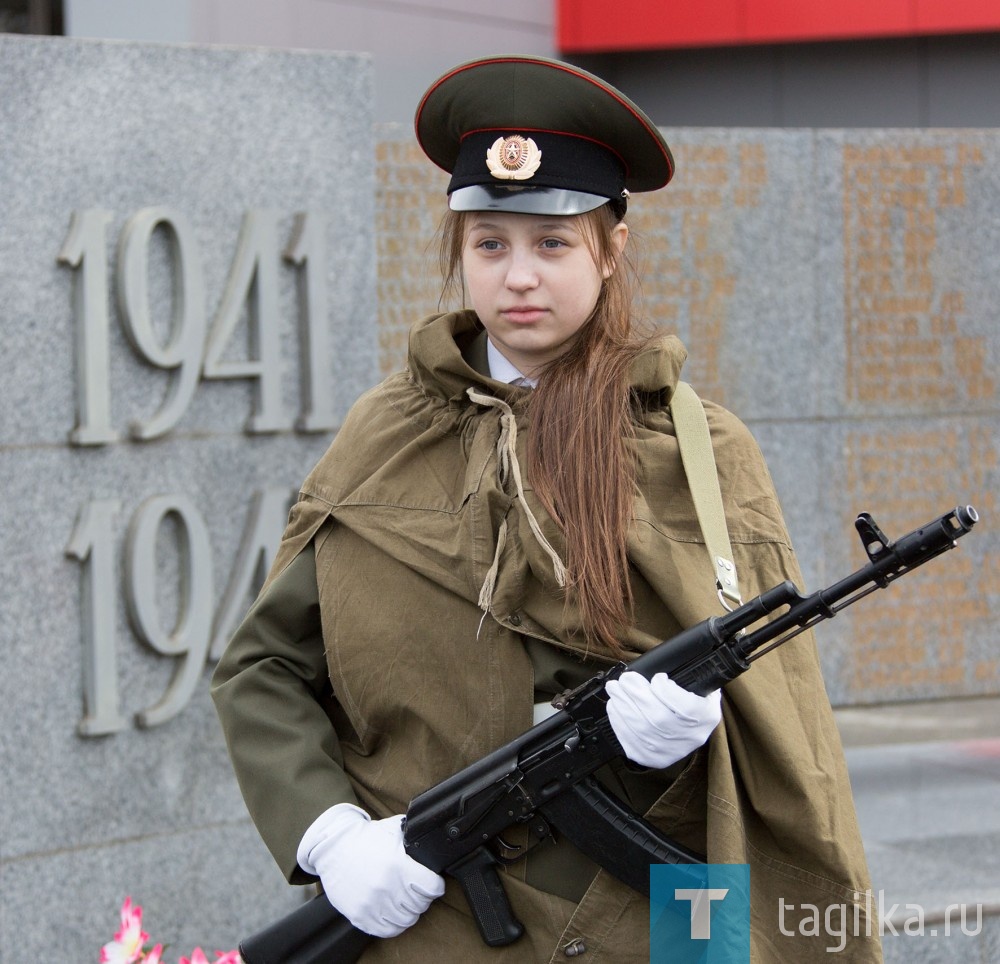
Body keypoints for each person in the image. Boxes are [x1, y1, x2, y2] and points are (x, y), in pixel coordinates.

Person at [212, 55, 882, 962]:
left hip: (638, 924)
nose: (518, 277)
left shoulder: (701, 450)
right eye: (491, 244)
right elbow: (262, 667)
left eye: (553, 243)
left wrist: (696, 733)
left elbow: (784, 725)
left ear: (611, 252)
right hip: (425, 921)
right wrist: (330, 836)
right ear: (459, 254)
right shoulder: (382, 436)